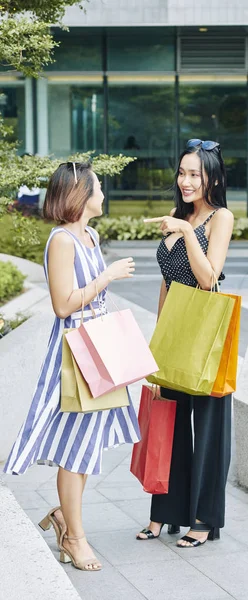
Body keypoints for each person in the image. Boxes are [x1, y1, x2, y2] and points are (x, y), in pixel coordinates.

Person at [3, 161, 140, 571]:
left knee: (84, 446)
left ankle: (65, 521)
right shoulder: (61, 240)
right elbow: (63, 304)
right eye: (98, 187)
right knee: (73, 449)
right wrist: (108, 276)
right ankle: (75, 537)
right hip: (74, 353)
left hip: (98, 350)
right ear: (80, 195)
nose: (103, 193)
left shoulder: (91, 236)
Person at [137, 138, 234, 548]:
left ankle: (203, 518)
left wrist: (185, 231)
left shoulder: (220, 218)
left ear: (211, 176)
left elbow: (209, 277)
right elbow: (167, 284)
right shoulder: (179, 217)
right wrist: (155, 346)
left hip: (206, 335)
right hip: (176, 331)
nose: (186, 180)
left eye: (194, 173)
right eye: (182, 172)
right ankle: (165, 513)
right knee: (169, 423)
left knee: (208, 429)